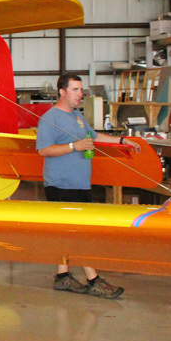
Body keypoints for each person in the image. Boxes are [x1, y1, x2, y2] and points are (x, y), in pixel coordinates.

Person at [35, 73, 140, 298]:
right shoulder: (49, 119)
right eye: (75, 90)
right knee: (78, 233)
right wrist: (74, 146)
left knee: (68, 233)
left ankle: (63, 277)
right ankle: (94, 280)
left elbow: (93, 136)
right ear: (62, 92)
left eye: (81, 90)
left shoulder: (78, 117)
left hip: (80, 183)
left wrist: (121, 141)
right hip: (61, 185)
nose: (80, 94)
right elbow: (43, 150)